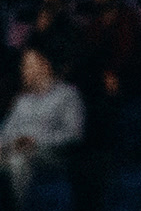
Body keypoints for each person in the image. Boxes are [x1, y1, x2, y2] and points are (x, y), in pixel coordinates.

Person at [0, 47, 85, 201]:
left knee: (18, 161)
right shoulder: (22, 100)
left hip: (49, 153)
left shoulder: (67, 95)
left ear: (45, 66)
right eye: (23, 66)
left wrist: (36, 141)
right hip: (15, 148)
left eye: (29, 66)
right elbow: (6, 131)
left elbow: (74, 134)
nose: (24, 70)